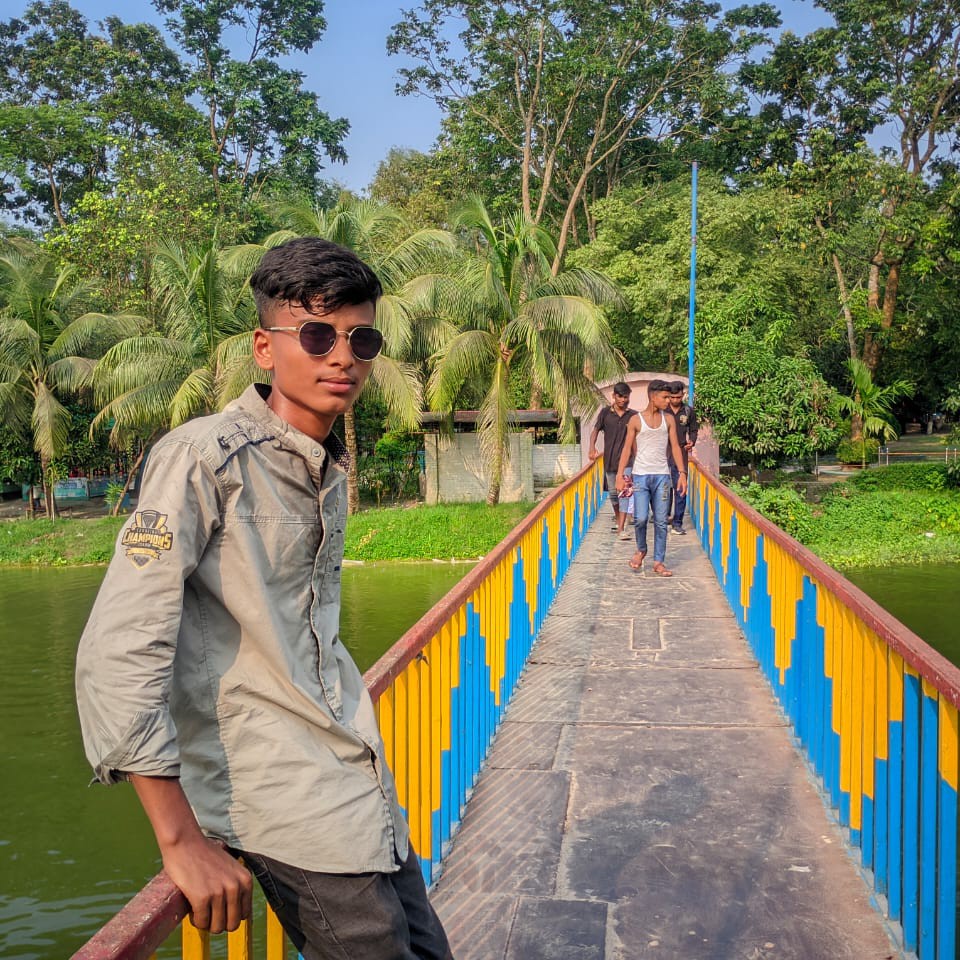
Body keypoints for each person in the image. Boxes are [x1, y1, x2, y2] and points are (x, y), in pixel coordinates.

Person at [75, 237, 453, 960]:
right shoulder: (205, 458)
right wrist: (180, 839)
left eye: (361, 340)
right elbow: (118, 648)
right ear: (264, 347)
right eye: (316, 336)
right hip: (280, 799)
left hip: (354, 778)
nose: (342, 357)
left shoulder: (324, 462)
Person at [616, 380, 687, 577]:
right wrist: (620, 476)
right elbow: (626, 448)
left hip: (662, 476)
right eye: (665, 397)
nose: (668, 401)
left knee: (661, 521)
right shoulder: (636, 420)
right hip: (640, 476)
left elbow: (675, 447)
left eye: (669, 397)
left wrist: (682, 473)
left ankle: (658, 561)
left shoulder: (669, 420)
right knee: (640, 518)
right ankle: (641, 549)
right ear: (653, 397)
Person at [588, 382, 637, 539]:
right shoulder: (605, 413)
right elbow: (595, 431)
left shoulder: (633, 416)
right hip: (609, 461)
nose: (623, 400)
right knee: (613, 494)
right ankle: (619, 518)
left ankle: (621, 528)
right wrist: (591, 447)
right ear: (614, 396)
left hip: (627, 462)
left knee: (624, 493)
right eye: (620, 396)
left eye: (626, 397)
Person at [666, 380, 699, 535]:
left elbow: (693, 430)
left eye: (678, 397)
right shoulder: (662, 410)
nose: (675, 400)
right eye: (672, 397)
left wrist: (692, 441)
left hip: (681, 453)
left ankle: (677, 523)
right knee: (664, 487)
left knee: (680, 489)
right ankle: (664, 517)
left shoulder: (688, 411)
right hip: (662, 454)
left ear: (683, 395)